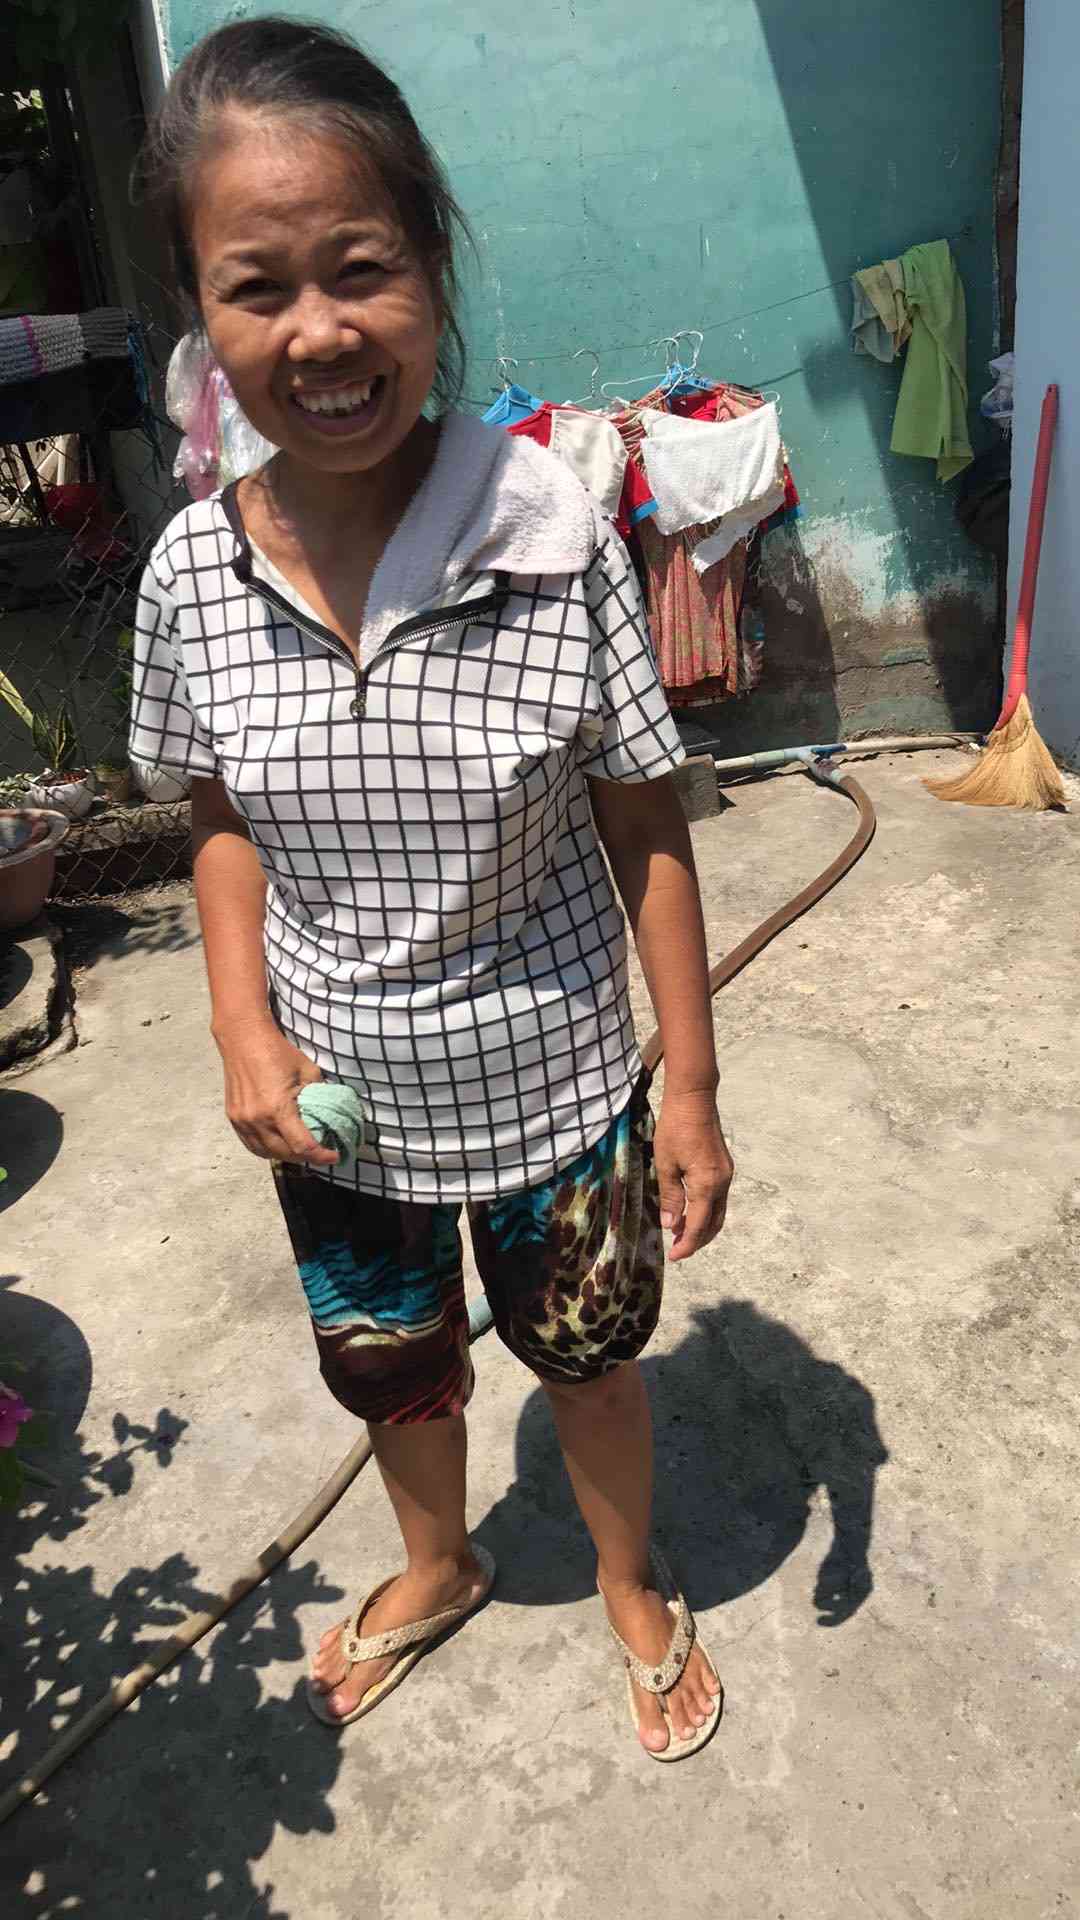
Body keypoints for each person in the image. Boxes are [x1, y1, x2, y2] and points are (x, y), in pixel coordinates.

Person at [130, 16, 733, 1760]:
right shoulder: (191, 575)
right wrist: (242, 1030)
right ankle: (442, 1559)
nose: (319, 333)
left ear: (433, 269)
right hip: (341, 1105)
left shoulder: (548, 539)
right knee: (391, 1365)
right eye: (257, 289)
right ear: (202, 316)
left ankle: (627, 1579)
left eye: (360, 269)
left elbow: (646, 823)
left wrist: (690, 1087)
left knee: (591, 1358)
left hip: (558, 1084)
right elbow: (222, 816)